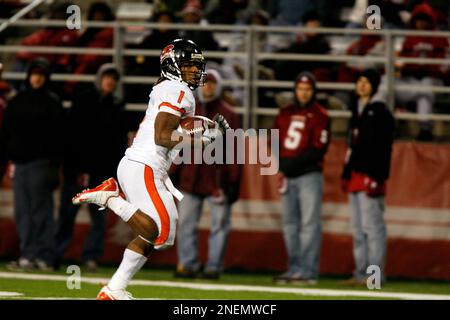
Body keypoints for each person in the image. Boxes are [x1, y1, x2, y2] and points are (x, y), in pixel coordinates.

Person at [71, 39, 231, 300]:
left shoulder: (173, 89)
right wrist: (202, 139)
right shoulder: (178, 90)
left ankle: (114, 289)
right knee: (161, 231)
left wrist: (204, 128)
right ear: (173, 66)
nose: (195, 71)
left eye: (196, 66)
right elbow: (162, 136)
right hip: (144, 165)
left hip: (145, 166)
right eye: (189, 65)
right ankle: (111, 197)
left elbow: (177, 129)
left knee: (158, 235)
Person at [55, 64, 126, 272]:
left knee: (99, 219)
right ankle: (56, 254)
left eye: (113, 78)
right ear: (100, 78)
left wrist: (115, 175)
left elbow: (119, 144)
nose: (110, 81)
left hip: (102, 173)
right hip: (78, 171)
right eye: (107, 77)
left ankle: (91, 256)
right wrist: (72, 168)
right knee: (67, 216)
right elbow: (70, 136)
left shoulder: (116, 107)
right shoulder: (83, 101)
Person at [173, 69, 242, 279]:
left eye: (212, 83)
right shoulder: (188, 112)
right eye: (205, 83)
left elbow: (234, 151)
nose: (208, 87)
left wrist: (233, 181)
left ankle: (213, 266)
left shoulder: (228, 114)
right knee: (185, 224)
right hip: (190, 178)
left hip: (216, 181)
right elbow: (178, 145)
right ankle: (188, 264)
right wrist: (174, 172)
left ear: (218, 86)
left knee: (219, 226)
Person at [0, 58, 64, 271]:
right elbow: (7, 134)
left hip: (41, 164)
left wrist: (54, 168)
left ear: (46, 78)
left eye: (41, 74)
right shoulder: (17, 101)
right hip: (20, 164)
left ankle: (45, 255)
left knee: (41, 212)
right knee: (23, 213)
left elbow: (59, 139)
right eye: (34, 74)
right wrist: (10, 159)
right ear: (29, 76)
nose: (37, 78)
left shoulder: (52, 103)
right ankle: (28, 254)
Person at [273, 72, 330, 284]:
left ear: (313, 91)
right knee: (290, 224)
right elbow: (275, 140)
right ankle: (294, 268)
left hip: (308, 175)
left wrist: (286, 166)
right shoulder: (285, 112)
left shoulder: (320, 114)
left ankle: (308, 271)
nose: (304, 93)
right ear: (295, 90)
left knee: (309, 224)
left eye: (308, 89)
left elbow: (318, 149)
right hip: (288, 174)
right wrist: (281, 165)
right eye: (300, 88)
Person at [341, 69, 395, 286]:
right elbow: (351, 147)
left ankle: (375, 276)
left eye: (366, 82)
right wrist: (346, 173)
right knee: (358, 229)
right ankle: (361, 273)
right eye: (359, 81)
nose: (362, 85)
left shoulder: (380, 111)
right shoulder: (356, 111)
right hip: (355, 175)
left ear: (374, 85)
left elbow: (384, 148)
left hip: (370, 176)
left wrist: (377, 176)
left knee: (373, 228)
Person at [393, 2, 448, 141]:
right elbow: (401, 63)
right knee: (387, 86)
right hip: (410, 80)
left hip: (433, 80)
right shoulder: (409, 39)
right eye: (419, 20)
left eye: (425, 20)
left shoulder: (439, 38)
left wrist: (425, 67)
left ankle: (425, 129)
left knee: (426, 87)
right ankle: (388, 127)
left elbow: (444, 65)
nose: (421, 24)